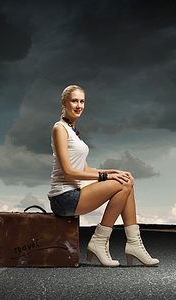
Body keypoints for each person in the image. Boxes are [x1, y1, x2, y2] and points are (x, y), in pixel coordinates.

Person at [47, 85, 159, 267]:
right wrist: (106, 178)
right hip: (63, 197)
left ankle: (134, 244)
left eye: (82, 101)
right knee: (123, 184)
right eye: (74, 101)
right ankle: (100, 242)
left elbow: (85, 169)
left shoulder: (73, 130)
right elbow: (68, 172)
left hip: (74, 193)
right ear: (63, 102)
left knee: (125, 180)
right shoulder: (59, 129)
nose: (78, 105)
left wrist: (113, 172)